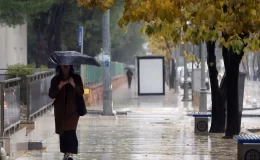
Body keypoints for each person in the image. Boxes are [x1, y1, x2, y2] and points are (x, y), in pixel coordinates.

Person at [49, 65, 84, 160]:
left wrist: (73, 84)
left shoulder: (76, 78)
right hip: (60, 111)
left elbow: (81, 92)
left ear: (70, 66)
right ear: (60, 66)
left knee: (71, 131)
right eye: (63, 64)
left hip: (73, 111)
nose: (65, 66)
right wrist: (60, 86)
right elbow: (51, 94)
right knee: (63, 131)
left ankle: (70, 154)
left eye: (67, 64)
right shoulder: (56, 79)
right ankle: (66, 153)